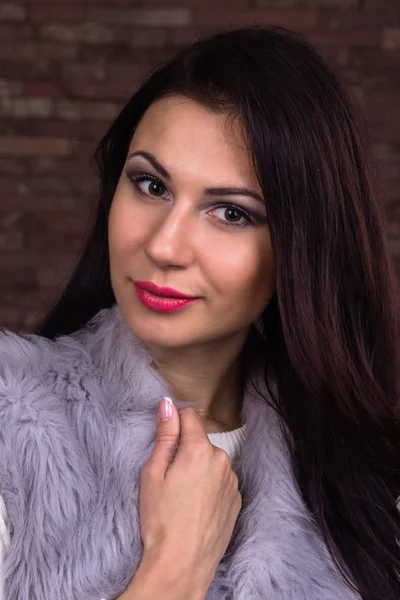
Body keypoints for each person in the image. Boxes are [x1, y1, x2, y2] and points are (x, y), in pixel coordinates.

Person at [0, 24, 399, 600]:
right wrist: (175, 567)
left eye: (231, 213)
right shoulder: (14, 430)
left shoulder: (373, 493)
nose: (164, 246)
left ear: (303, 249)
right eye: (150, 184)